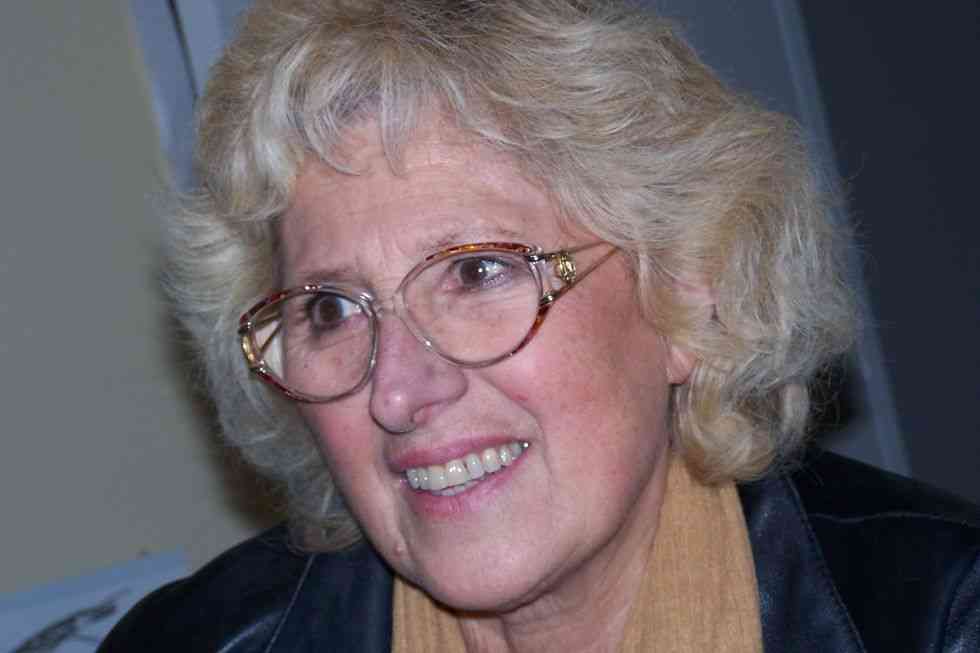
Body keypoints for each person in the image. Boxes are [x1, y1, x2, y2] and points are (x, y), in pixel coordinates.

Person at [101, 1, 980, 651]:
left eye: (476, 271)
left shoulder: (944, 620)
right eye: (329, 309)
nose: (398, 390)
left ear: (689, 287)